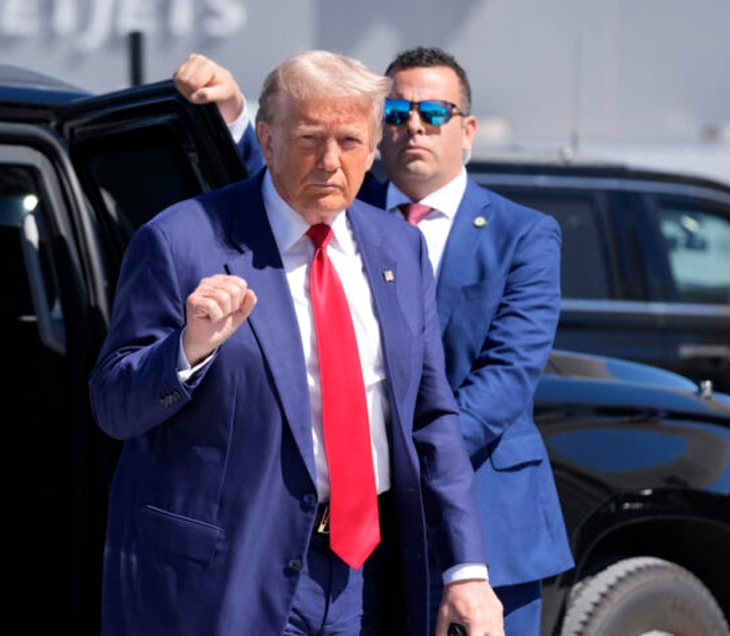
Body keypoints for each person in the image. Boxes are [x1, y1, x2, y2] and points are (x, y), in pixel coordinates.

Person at [90, 49, 505, 636]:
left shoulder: (398, 249)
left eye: (350, 141)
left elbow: (431, 419)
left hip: (364, 573)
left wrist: (466, 571)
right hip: (225, 577)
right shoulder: (181, 240)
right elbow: (112, 405)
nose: (331, 161)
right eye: (311, 138)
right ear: (267, 135)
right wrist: (188, 349)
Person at [174, 46, 573, 635]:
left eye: (435, 112)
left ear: (467, 131)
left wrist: (395, 455)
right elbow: (278, 178)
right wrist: (235, 113)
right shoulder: (341, 211)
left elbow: (506, 378)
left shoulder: (524, 234)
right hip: (360, 527)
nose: (413, 124)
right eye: (397, 110)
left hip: (484, 518)